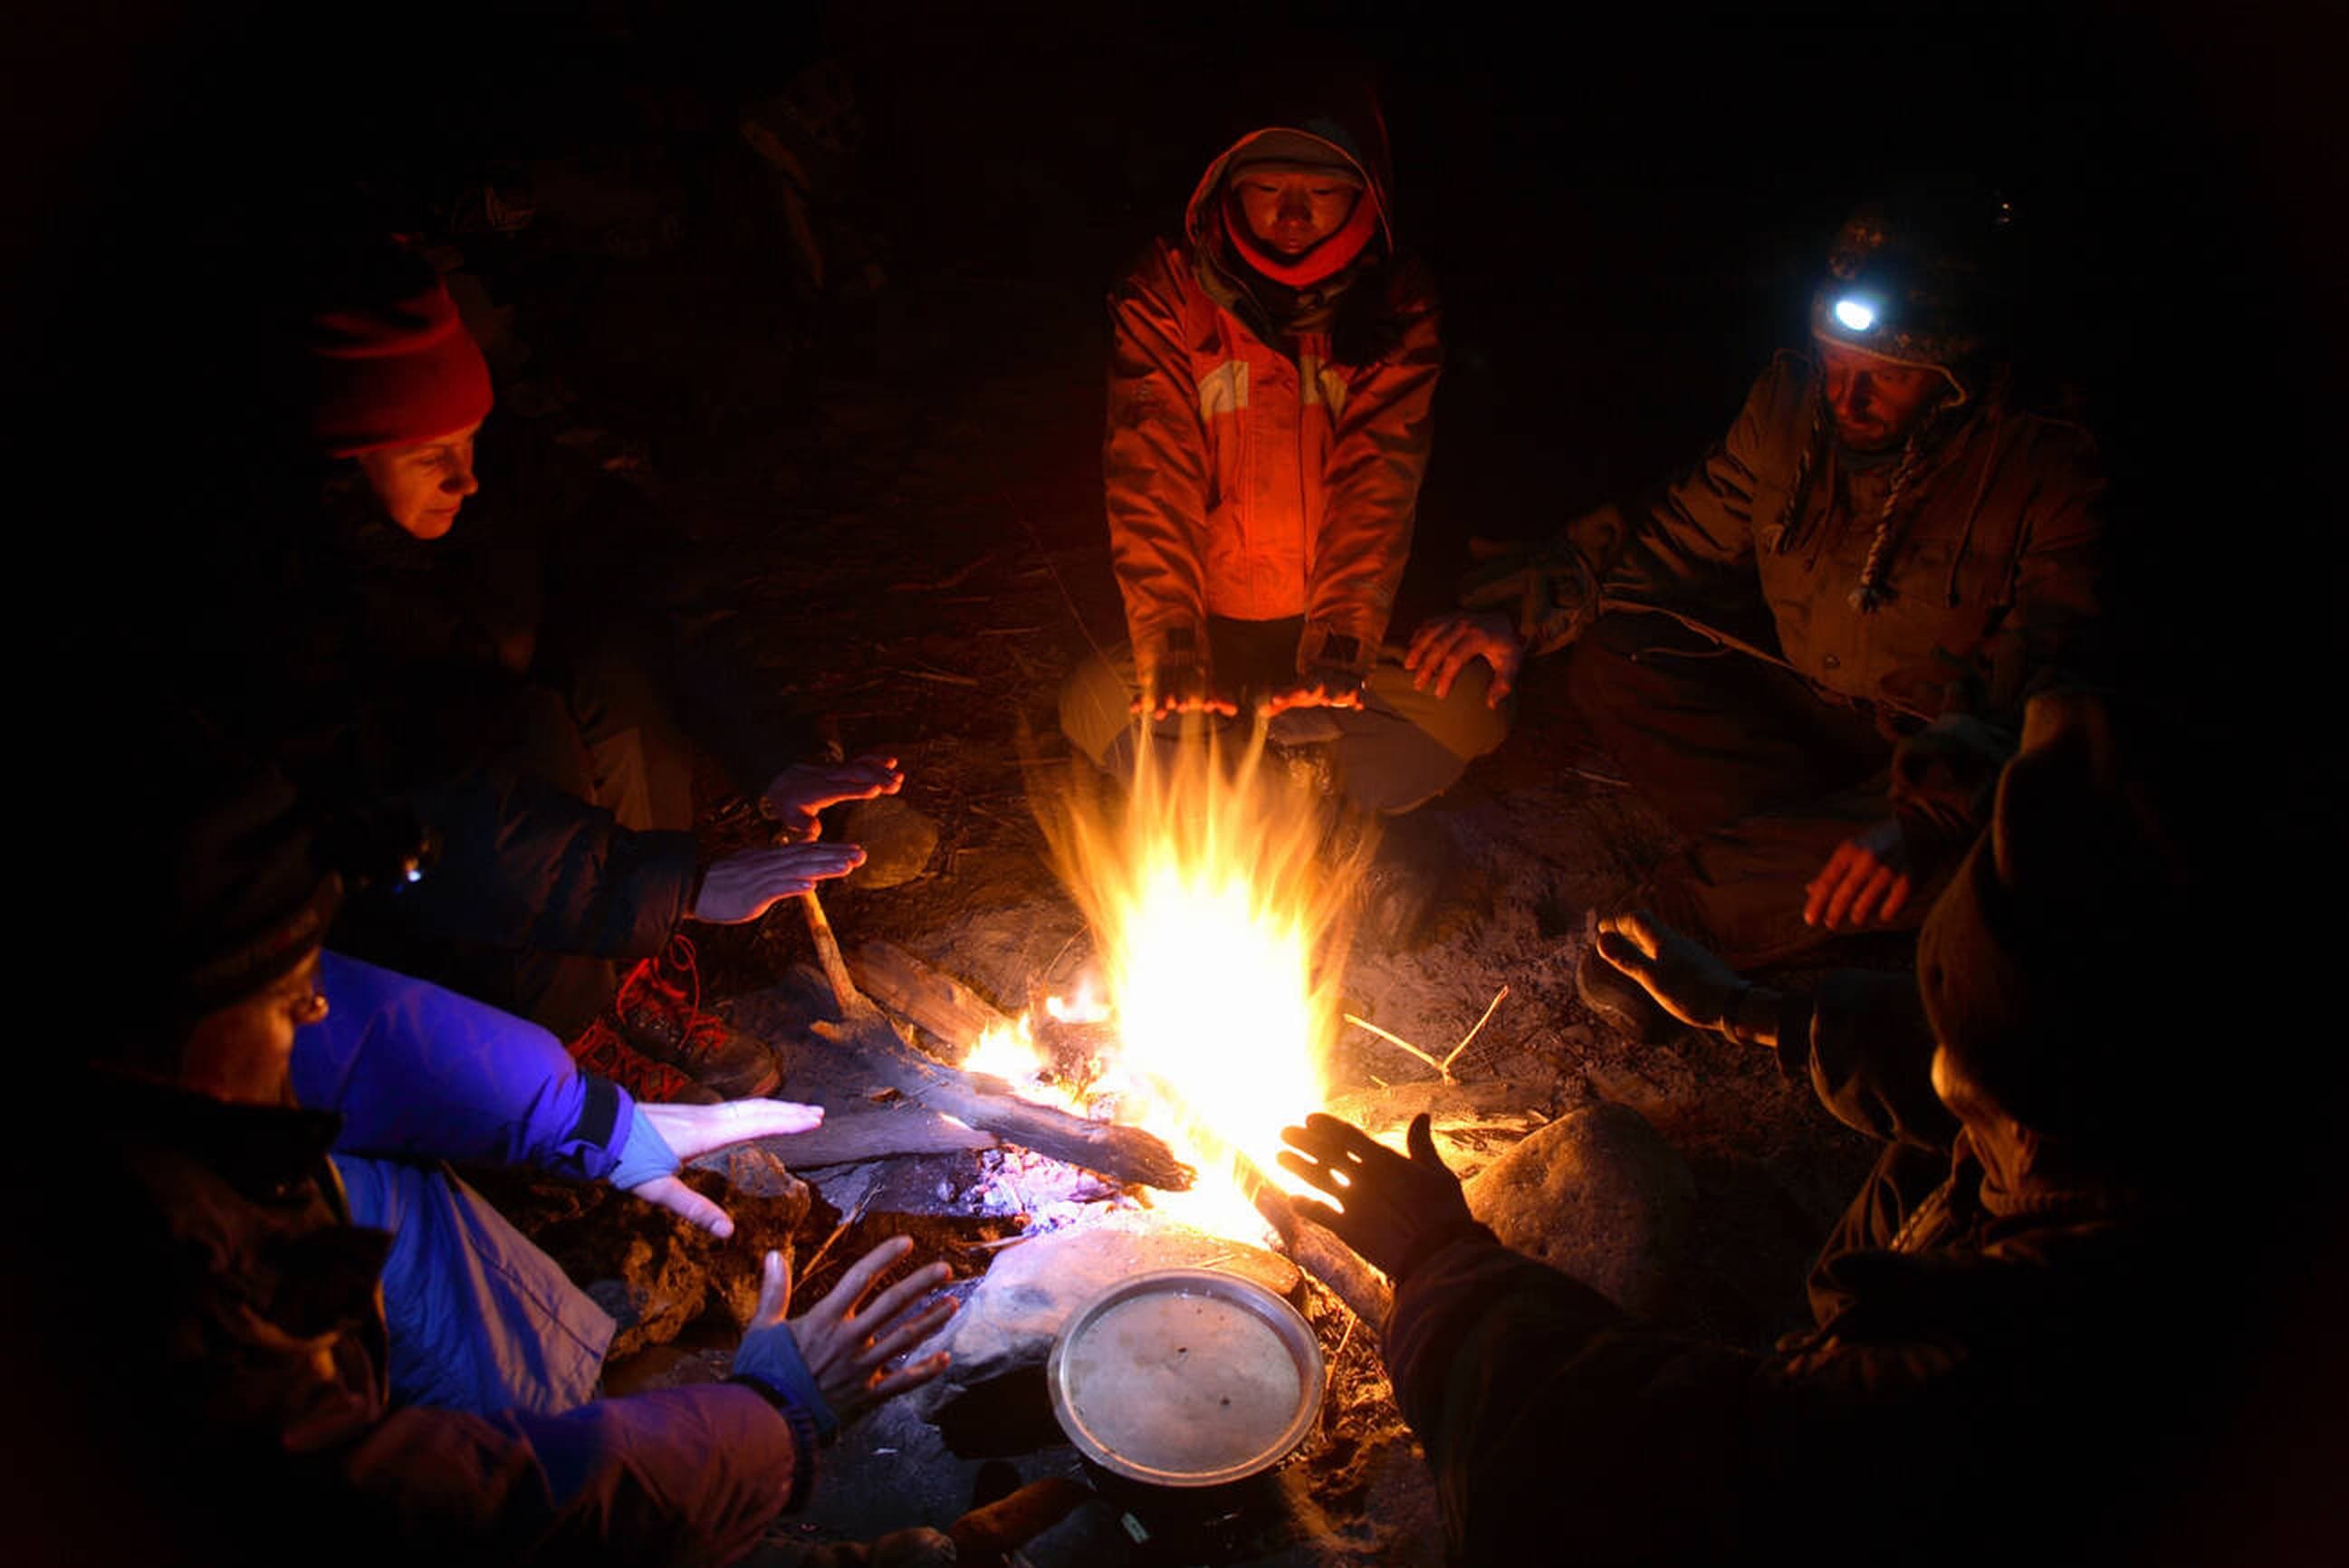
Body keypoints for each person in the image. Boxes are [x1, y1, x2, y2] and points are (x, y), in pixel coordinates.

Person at [1280, 689, 2344, 1566]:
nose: (1939, 1096)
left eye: (1963, 1078)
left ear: (2054, 1107)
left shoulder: (2011, 1378)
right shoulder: (2151, 1123)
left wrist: (1442, 1266)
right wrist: (1751, 1010)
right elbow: (1957, 1059)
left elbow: (1604, 1476)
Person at [44, 731, 966, 1567]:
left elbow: (358, 1037)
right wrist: (766, 1423)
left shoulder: (154, 1057)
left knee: (386, 1192)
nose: (312, 1003)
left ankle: (630, 1493)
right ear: (165, 1028)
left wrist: (584, 1120)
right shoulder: (156, 1291)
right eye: (285, 994)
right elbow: (435, 1515)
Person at [187, 238, 904, 1096]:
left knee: (614, 649)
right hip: (366, 909)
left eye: (472, 439)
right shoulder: (265, 598)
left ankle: (622, 982)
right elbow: (416, 803)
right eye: (429, 457)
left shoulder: (496, 482)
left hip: (508, 839)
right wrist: (678, 887)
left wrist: (772, 750)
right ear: (341, 462)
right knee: (518, 731)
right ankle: (554, 1037)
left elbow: (659, 580)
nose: (468, 479)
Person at [1405, 193, 2107, 1038]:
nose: (1847, 399)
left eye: (1883, 377)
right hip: (1814, 718)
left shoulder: (2045, 462)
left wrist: (1920, 816)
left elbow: (2046, 692)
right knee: (1621, 656)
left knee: (2006, 835)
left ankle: (1744, 900)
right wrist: (1526, 617)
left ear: (1953, 372)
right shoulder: (1790, 409)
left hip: (1942, 759)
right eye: (1835, 365)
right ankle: (1819, 869)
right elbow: (1671, 537)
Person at [1059, 78, 1509, 816]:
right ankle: (1273, 770)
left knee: (1467, 710)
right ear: (1227, 187)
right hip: (1208, 631)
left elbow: (1379, 481)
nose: (1292, 213)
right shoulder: (1165, 292)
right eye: (1267, 185)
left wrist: (1337, 651)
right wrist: (1174, 655)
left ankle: (1286, 779)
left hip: (1336, 631)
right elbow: (1150, 476)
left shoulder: (1396, 303)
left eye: (1322, 191)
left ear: (1366, 194)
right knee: (1093, 705)